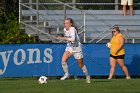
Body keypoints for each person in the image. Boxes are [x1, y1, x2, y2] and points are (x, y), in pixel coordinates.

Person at [58, 18, 91, 83]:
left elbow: (73, 39)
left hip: (77, 48)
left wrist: (63, 38)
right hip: (69, 47)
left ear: (71, 24)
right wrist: (62, 37)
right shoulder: (65, 29)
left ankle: (87, 76)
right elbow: (68, 38)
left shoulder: (72, 29)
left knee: (81, 65)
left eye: (67, 23)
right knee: (63, 61)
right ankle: (66, 74)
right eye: (65, 23)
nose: (65, 24)